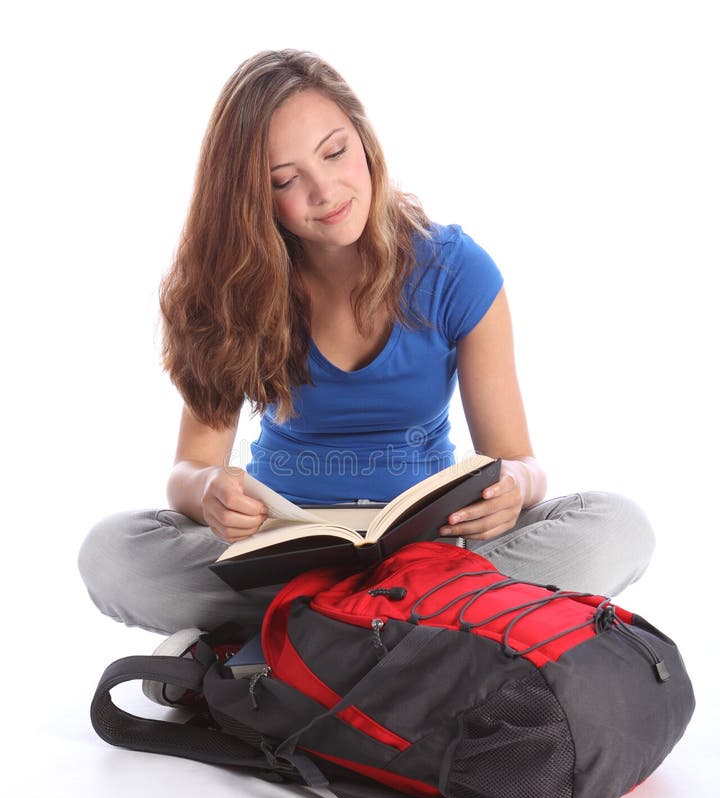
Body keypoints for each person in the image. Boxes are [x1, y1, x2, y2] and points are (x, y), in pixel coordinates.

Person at [78, 49, 655, 676]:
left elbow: (517, 458)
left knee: (616, 528)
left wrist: (515, 487)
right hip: (284, 546)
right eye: (283, 179)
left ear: (365, 141)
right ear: (252, 197)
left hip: (430, 548)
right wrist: (211, 491)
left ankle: (290, 643)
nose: (324, 192)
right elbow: (190, 468)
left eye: (335, 152)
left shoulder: (456, 270)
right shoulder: (232, 289)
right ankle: (401, 637)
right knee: (112, 553)